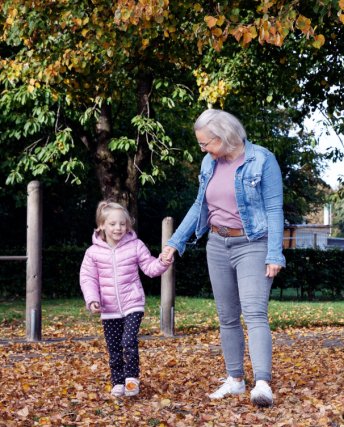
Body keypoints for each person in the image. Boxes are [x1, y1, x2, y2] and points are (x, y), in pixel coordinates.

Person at [160, 109, 285, 407]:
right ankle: (235, 380)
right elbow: (199, 205)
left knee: (254, 313)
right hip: (217, 243)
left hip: (253, 243)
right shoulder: (209, 162)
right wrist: (175, 242)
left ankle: (263, 384)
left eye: (206, 143)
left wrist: (274, 253)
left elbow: (274, 209)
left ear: (225, 136)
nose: (202, 149)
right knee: (227, 317)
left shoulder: (262, 160)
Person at [80, 200, 171, 398]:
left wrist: (163, 262)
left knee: (128, 340)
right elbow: (88, 279)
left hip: (133, 303)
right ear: (102, 225)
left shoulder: (136, 246)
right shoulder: (93, 253)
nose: (118, 228)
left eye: (122, 224)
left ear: (128, 225)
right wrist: (93, 299)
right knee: (114, 348)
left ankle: (131, 379)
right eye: (112, 224)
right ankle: (117, 381)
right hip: (108, 308)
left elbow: (149, 268)